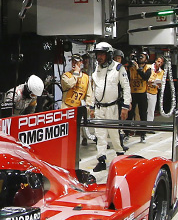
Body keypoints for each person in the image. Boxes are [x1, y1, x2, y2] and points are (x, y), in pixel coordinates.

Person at [89, 41, 131, 173]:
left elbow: (126, 88)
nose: (99, 57)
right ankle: (101, 160)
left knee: (114, 134)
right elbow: (93, 88)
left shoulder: (118, 68)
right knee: (100, 135)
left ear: (109, 54)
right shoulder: (96, 69)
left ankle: (120, 157)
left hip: (113, 108)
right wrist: (91, 107)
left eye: (102, 54)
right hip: (99, 108)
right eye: (97, 54)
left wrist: (125, 106)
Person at [60, 54, 95, 146]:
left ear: (81, 62)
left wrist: (88, 106)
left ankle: (77, 148)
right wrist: (75, 73)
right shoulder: (66, 75)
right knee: (66, 131)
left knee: (78, 131)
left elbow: (89, 94)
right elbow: (69, 84)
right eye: (73, 61)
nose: (74, 63)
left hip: (79, 107)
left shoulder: (86, 77)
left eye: (76, 61)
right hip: (66, 106)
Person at [127, 52, 150, 142]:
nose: (140, 58)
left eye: (142, 57)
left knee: (143, 114)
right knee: (130, 113)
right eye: (139, 57)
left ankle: (143, 133)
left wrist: (138, 68)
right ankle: (127, 132)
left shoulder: (148, 68)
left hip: (142, 93)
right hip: (132, 93)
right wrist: (131, 59)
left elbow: (145, 77)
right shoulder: (131, 67)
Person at [145, 55, 166, 123]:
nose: (159, 63)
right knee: (143, 109)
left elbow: (161, 84)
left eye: (161, 62)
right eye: (158, 61)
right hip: (145, 91)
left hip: (154, 92)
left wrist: (159, 85)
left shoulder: (162, 72)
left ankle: (149, 125)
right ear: (155, 61)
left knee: (151, 110)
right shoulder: (148, 67)